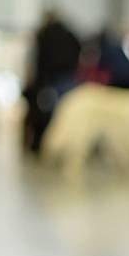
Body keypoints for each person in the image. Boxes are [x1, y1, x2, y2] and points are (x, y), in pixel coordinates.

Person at [22, 9, 81, 153]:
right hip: (67, 78)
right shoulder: (70, 34)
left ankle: (45, 146)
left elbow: (37, 60)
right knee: (64, 114)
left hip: (47, 81)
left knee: (44, 114)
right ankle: (64, 148)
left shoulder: (42, 34)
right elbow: (79, 50)